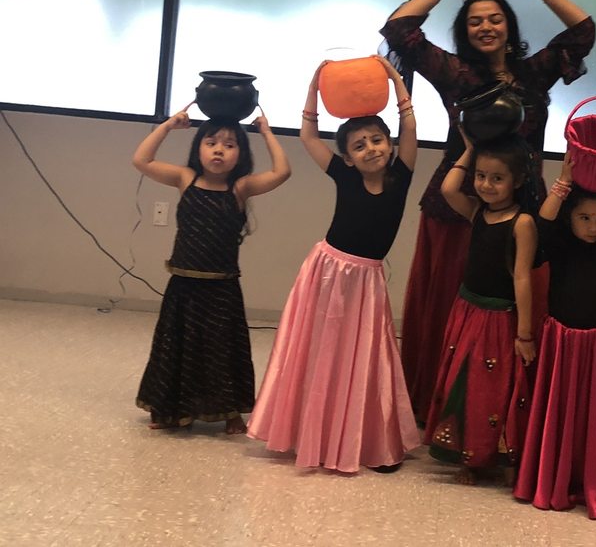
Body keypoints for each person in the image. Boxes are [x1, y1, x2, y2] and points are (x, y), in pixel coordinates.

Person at [380, 0, 596, 424]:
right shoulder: (455, 73)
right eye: (475, 21)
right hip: (459, 209)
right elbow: (399, 29)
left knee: (520, 311)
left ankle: (511, 421)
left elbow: (583, 31)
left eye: (495, 19)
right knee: (454, 309)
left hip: (526, 212)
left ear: (509, 26)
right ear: (465, 31)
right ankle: (443, 412)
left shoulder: (534, 73)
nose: (485, 27)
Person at [247, 57, 420, 473]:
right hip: (327, 271)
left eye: (377, 140)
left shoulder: (401, 175)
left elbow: (410, 125)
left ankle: (367, 438)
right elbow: (308, 135)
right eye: (359, 146)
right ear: (347, 158)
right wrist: (314, 88)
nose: (371, 149)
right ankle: (309, 430)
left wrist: (395, 79)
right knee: (319, 349)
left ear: (390, 144)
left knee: (367, 355)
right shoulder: (344, 175)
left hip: (367, 279)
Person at [133, 106, 291, 434]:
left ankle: (230, 412)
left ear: (240, 154)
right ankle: (169, 408)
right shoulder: (185, 179)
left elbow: (282, 172)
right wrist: (168, 125)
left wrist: (266, 132)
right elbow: (142, 160)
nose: (219, 150)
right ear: (198, 148)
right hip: (184, 284)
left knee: (222, 349)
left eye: (229, 145)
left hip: (222, 287)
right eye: (211, 143)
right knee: (176, 346)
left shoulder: (240, 188)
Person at [514, 153, 596, 519]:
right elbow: (544, 220)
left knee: (592, 410)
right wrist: (563, 181)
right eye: (584, 218)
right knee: (559, 409)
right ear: (570, 217)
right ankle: (553, 469)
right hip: (562, 340)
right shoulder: (560, 244)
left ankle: (590, 467)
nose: (594, 226)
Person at [424, 134, 538, 485]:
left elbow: (522, 278)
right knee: (465, 385)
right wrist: (470, 150)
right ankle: (467, 457)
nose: (486, 185)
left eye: (497, 178)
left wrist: (524, 334)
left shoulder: (522, 223)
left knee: (494, 389)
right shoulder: (477, 211)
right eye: (481, 176)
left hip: (500, 319)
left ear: (518, 180)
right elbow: (448, 189)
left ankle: (501, 457)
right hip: (467, 310)